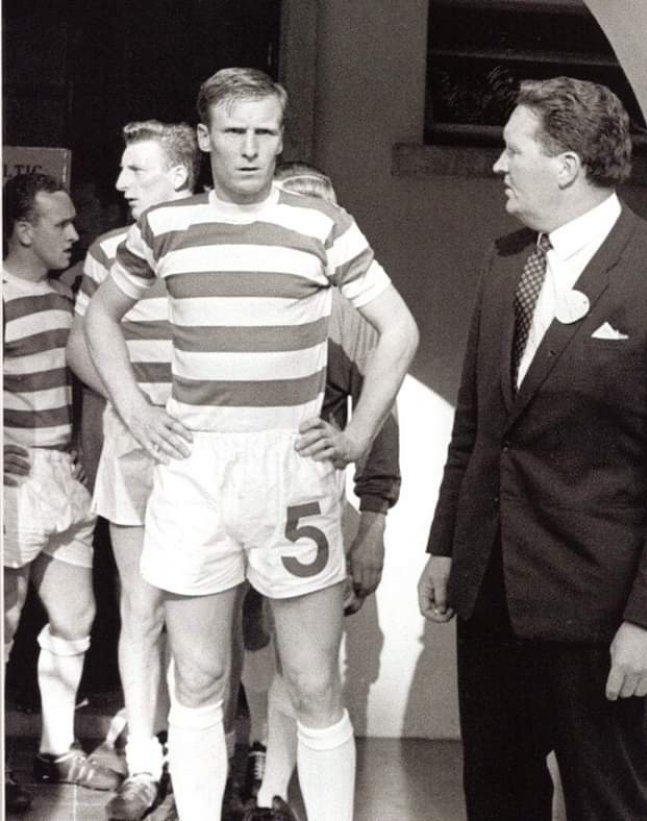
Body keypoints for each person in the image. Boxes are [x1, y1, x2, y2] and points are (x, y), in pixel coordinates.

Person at [83, 67, 419, 821]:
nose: (250, 148)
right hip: (196, 466)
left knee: (314, 682)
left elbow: (399, 329)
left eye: (265, 131)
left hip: (290, 468)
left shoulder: (320, 224)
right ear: (204, 139)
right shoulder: (164, 227)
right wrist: (136, 409)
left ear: (279, 135)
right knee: (199, 677)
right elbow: (99, 318)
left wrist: (359, 431)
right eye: (234, 132)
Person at [418, 76, 647, 821]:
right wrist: (446, 548)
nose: (498, 166)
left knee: (607, 804)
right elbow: (478, 427)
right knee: (496, 798)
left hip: (600, 617)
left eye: (513, 149)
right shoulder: (506, 265)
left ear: (566, 165)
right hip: (490, 597)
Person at [235, 163, 401, 821]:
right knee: (228, 640)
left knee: (308, 656)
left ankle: (275, 790)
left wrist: (376, 522)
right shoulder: (229, 295)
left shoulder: (355, 311)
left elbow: (378, 417)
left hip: (309, 500)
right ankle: (239, 767)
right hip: (228, 493)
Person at [66, 119, 202, 820]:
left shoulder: (214, 237)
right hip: (132, 448)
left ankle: (201, 756)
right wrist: (135, 407)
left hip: (204, 453)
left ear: (179, 175)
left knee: (202, 617)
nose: (120, 185)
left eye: (136, 170)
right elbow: (82, 344)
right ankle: (145, 763)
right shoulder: (108, 249)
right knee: (141, 610)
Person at [3, 173, 123, 815]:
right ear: (25, 230)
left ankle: (55, 748)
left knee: (75, 620)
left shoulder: (65, 301)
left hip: (64, 479)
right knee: (3, 623)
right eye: (61, 224)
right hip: (13, 484)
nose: (76, 234)